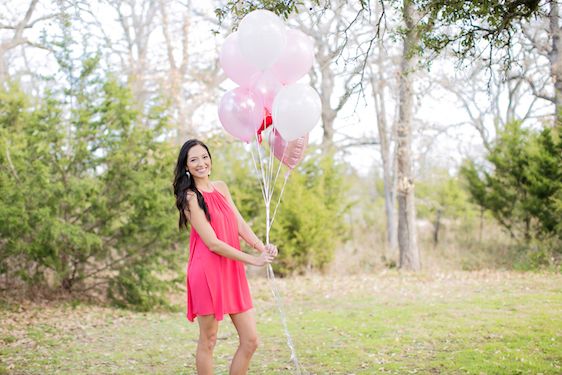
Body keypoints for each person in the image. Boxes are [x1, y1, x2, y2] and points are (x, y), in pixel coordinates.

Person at [173, 139, 278, 375]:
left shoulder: (220, 187)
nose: (201, 163)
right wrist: (253, 260)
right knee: (209, 340)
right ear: (186, 167)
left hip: (231, 270)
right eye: (194, 159)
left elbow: (239, 223)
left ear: (210, 159)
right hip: (207, 272)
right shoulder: (190, 197)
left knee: (251, 341)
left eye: (204, 156)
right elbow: (212, 243)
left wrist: (261, 247)